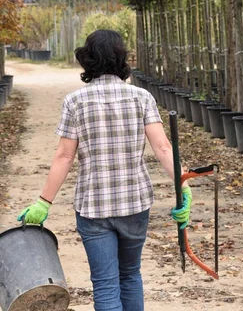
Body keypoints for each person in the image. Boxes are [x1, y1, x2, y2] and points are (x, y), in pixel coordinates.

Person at [18, 29, 192, 311]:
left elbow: (64, 156)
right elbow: (163, 149)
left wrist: (43, 202)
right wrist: (183, 186)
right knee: (131, 275)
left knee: (105, 283)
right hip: (135, 204)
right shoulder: (142, 97)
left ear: (89, 60)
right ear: (121, 58)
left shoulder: (75, 101)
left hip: (93, 208)